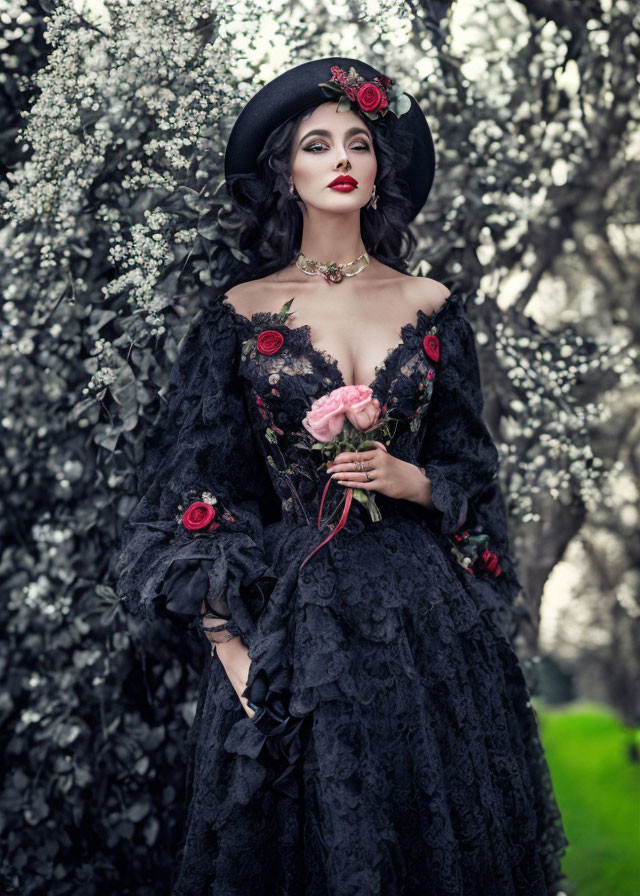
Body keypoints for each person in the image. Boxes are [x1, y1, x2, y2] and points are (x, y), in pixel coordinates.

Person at [115, 57, 569, 895]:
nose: (341, 158)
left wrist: (411, 480)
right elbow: (195, 500)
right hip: (295, 631)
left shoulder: (430, 305)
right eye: (317, 144)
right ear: (287, 171)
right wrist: (235, 652)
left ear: (377, 169)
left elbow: (471, 471)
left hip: (422, 626)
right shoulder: (241, 314)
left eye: (357, 142)